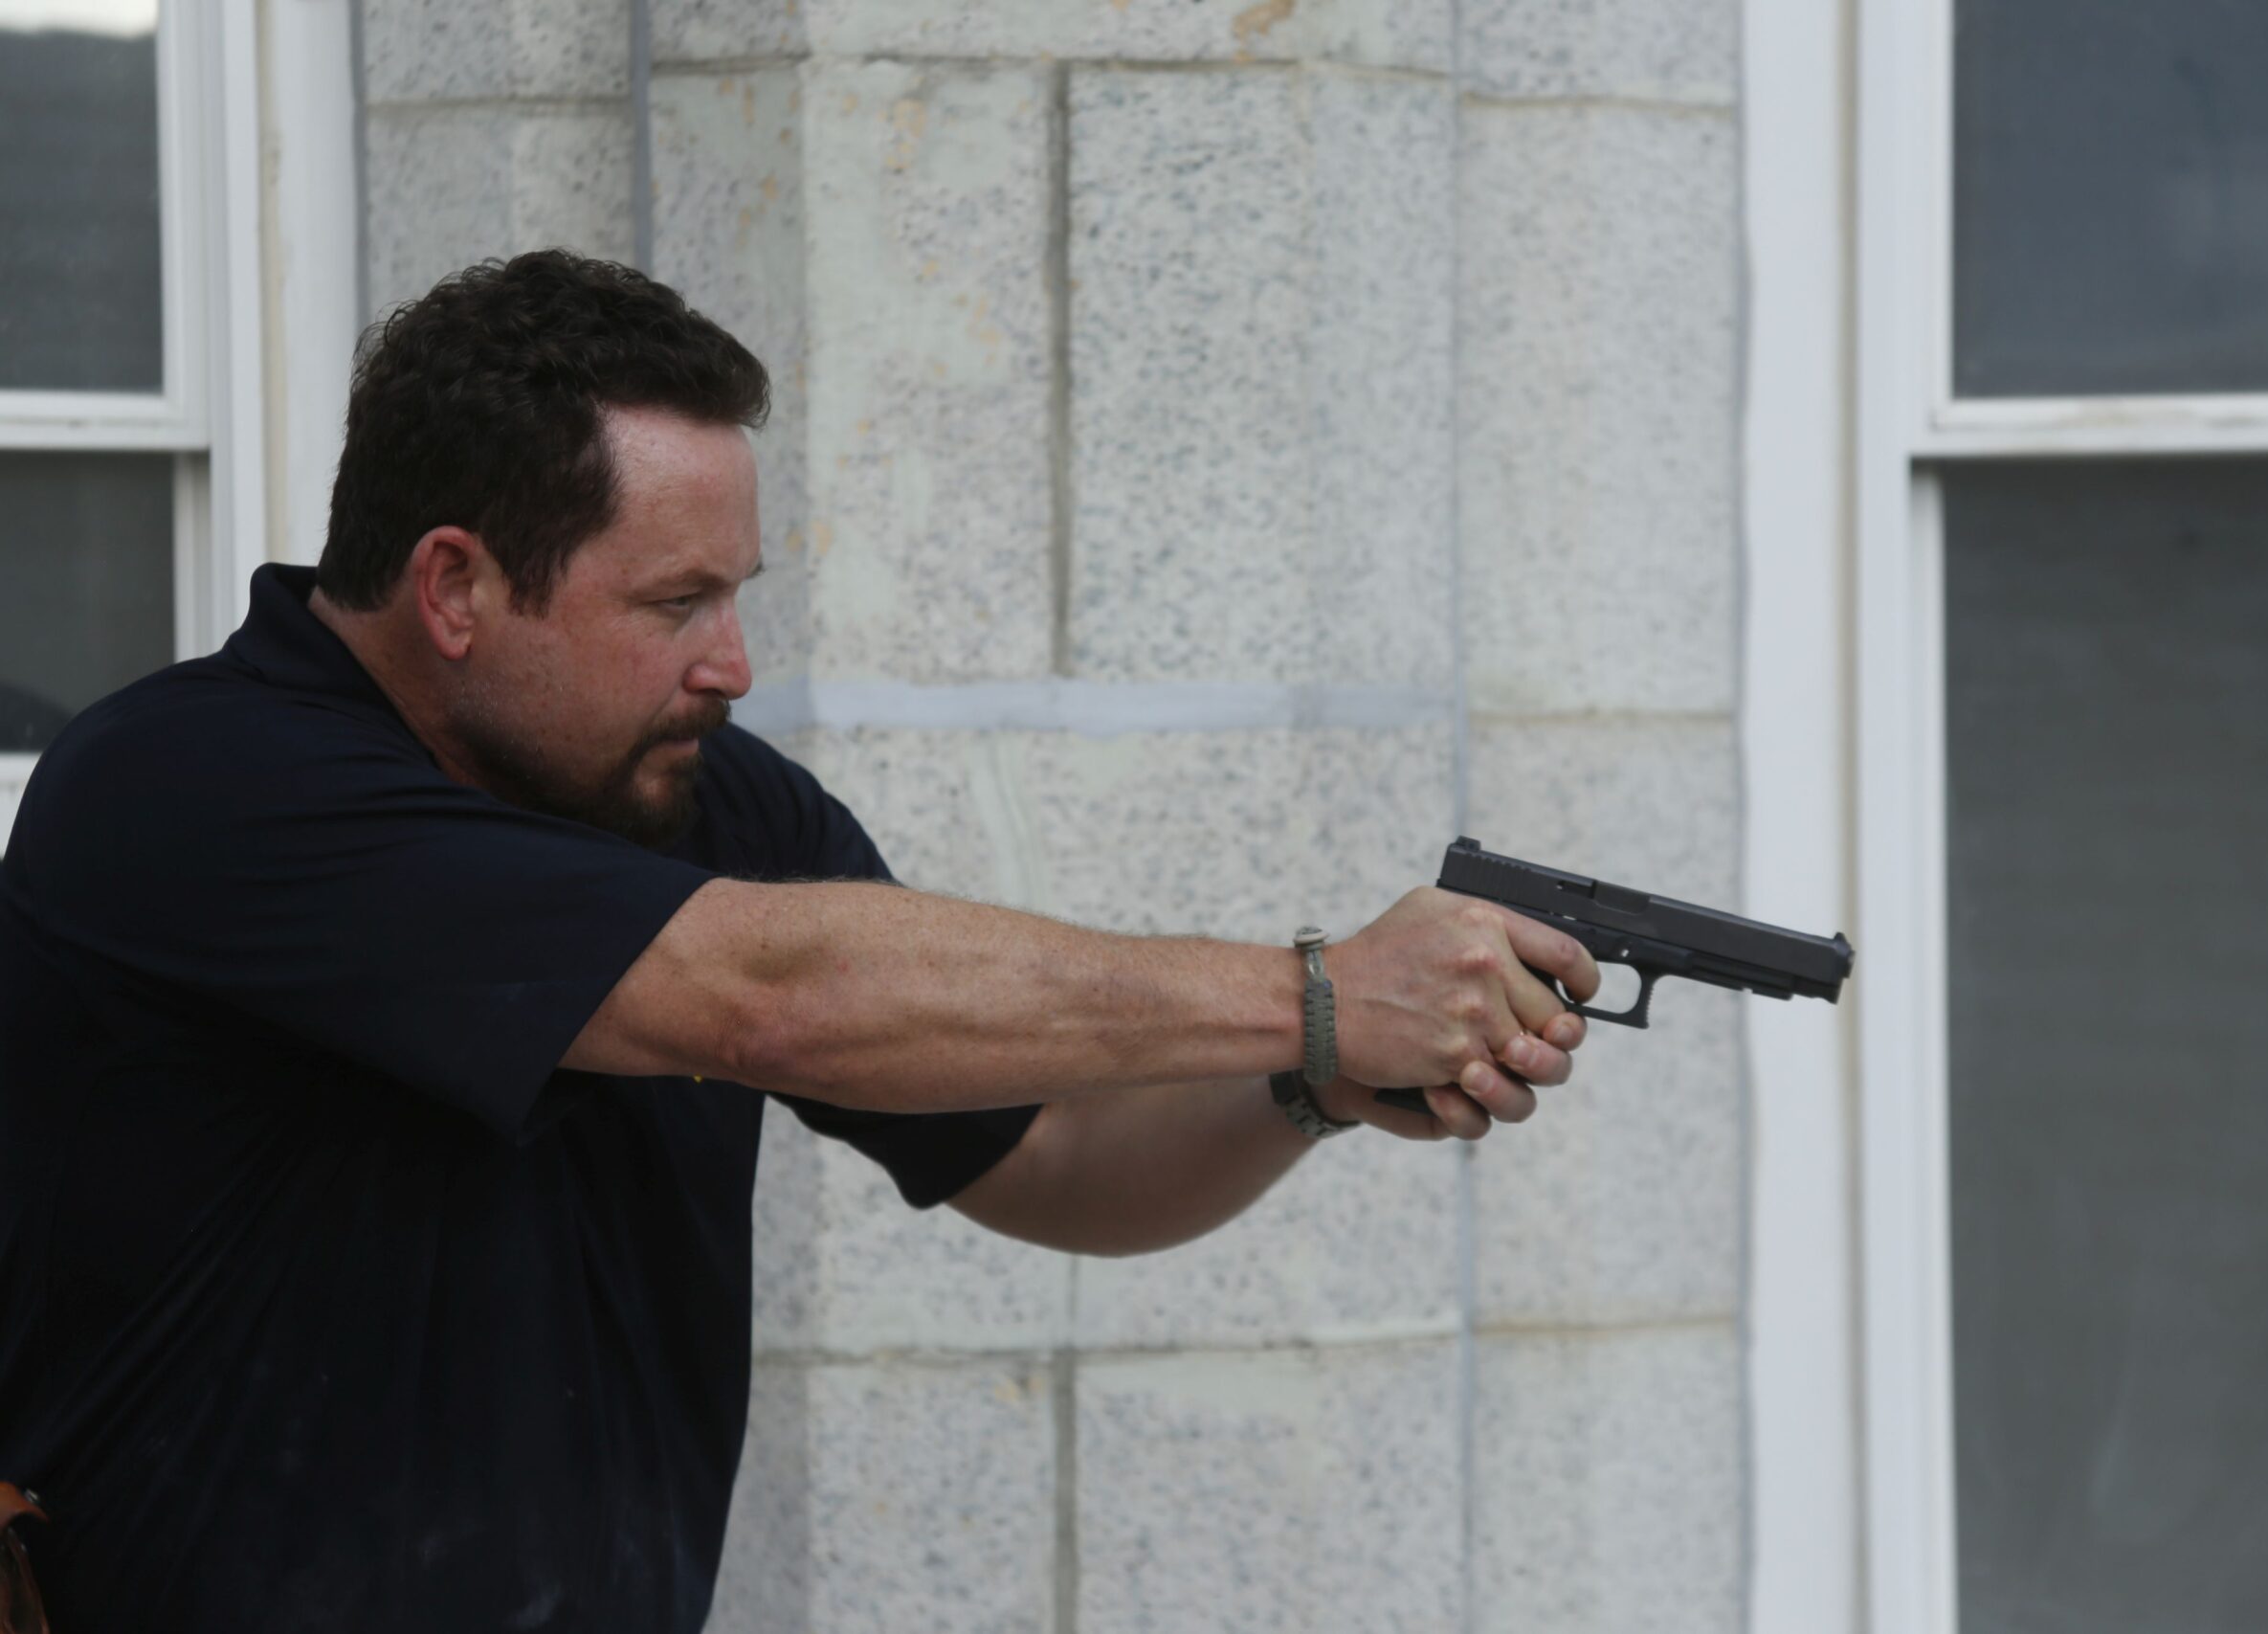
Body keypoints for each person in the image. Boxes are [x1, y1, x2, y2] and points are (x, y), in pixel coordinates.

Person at [0, 251, 1595, 1633]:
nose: (735, 665)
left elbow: (1048, 1155)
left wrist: (1304, 1081)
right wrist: (1317, 992)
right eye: (674, 604)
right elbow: (767, 997)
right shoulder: (194, 788)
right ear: (456, 586)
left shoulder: (704, 801)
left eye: (737, 595)